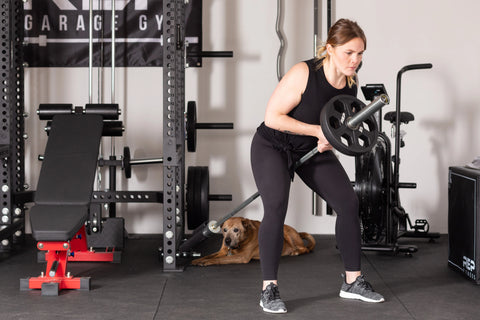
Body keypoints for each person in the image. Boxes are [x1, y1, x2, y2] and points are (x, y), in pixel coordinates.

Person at [250, 18, 385, 314]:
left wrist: (330, 141)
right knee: (275, 206)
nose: (356, 60)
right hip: (272, 146)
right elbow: (273, 117)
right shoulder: (304, 73)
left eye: (360, 53)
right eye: (349, 53)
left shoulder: (351, 84)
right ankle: (268, 289)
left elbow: (337, 128)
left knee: (348, 203)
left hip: (311, 150)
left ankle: (352, 280)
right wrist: (316, 133)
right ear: (329, 49)